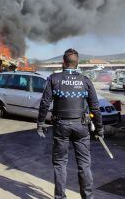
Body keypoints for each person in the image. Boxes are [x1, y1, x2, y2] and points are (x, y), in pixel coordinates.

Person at [37, 49, 103, 199]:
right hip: (81, 127)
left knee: (60, 164)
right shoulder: (85, 80)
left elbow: (45, 103)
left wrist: (40, 123)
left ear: (63, 62)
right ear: (77, 63)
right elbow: (95, 107)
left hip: (61, 126)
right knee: (84, 166)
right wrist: (99, 129)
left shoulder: (54, 79)